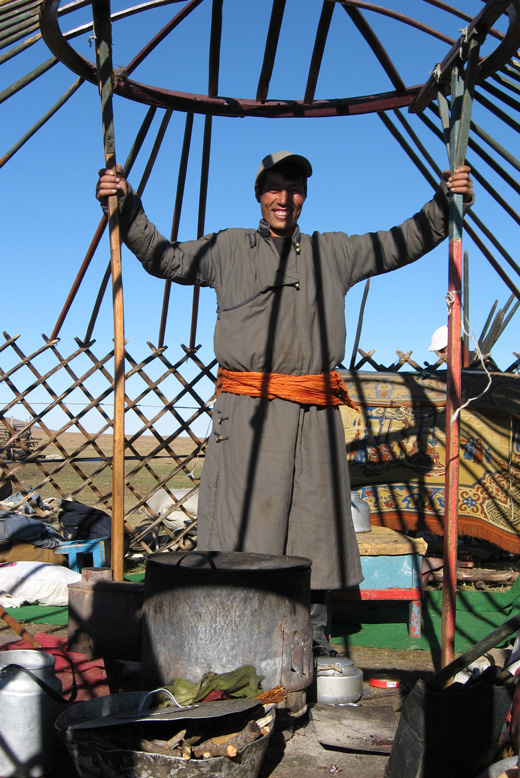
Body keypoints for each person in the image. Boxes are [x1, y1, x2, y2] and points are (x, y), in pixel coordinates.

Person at [97, 150, 473, 654]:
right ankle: (238, 627)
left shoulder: (333, 252)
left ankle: (311, 631)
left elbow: (396, 245)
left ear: (305, 196)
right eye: (274, 187)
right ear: (260, 194)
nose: (284, 197)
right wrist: (126, 208)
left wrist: (443, 204)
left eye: (294, 188)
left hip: (314, 412)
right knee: (243, 521)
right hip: (247, 414)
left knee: (314, 520)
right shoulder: (229, 247)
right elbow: (165, 258)